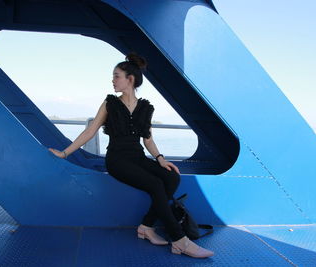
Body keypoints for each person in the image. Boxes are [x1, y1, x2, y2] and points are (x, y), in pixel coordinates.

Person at [49, 53, 214, 258]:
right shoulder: (110, 103)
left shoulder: (145, 107)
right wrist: (64, 153)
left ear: (130, 79)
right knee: (155, 184)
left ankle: (146, 226)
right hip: (117, 159)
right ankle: (180, 241)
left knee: (172, 177)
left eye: (117, 76)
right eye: (113, 76)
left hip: (138, 157)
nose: (113, 80)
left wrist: (161, 159)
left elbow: (148, 140)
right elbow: (90, 131)